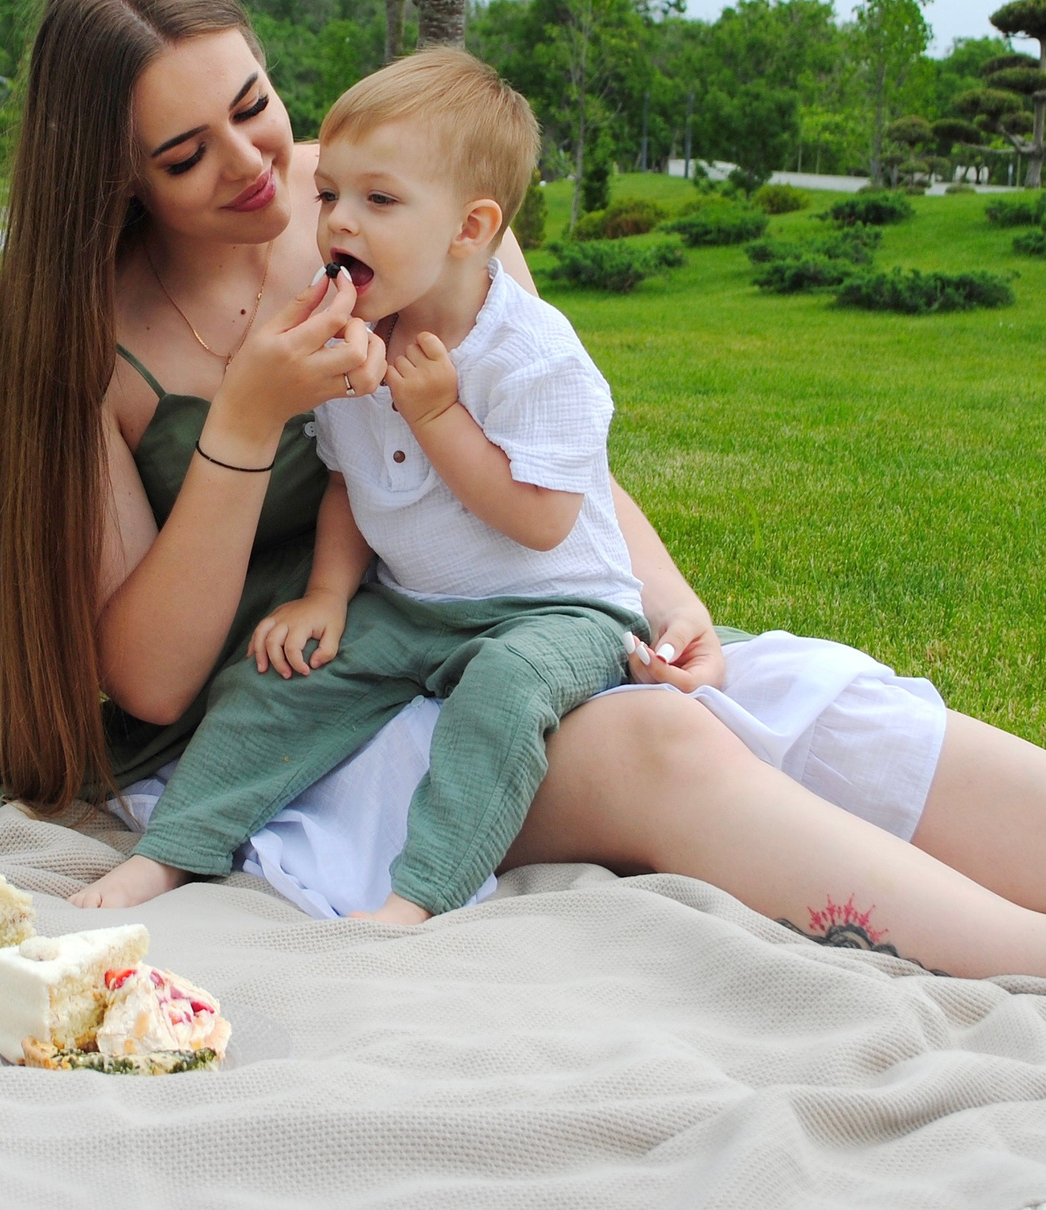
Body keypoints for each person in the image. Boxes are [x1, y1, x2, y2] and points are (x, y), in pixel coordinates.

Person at [0, 0, 1046, 1024]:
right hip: (311, 726)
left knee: (806, 700)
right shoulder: (98, 349)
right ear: (111, 177)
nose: (260, 168)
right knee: (661, 755)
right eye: (185, 151)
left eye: (258, 105)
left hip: (503, 606)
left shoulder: (395, 209)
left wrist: (679, 609)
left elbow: (562, 461)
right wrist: (250, 421)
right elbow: (140, 673)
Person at [95, 49, 642, 922]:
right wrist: (326, 596)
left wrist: (438, 420)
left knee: (502, 696)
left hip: (556, 610)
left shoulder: (534, 353)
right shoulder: (353, 331)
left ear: (468, 229)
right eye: (330, 196)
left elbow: (543, 521)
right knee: (275, 678)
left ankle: (419, 895)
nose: (338, 222)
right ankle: (171, 851)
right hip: (414, 606)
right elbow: (350, 485)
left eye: (378, 201)